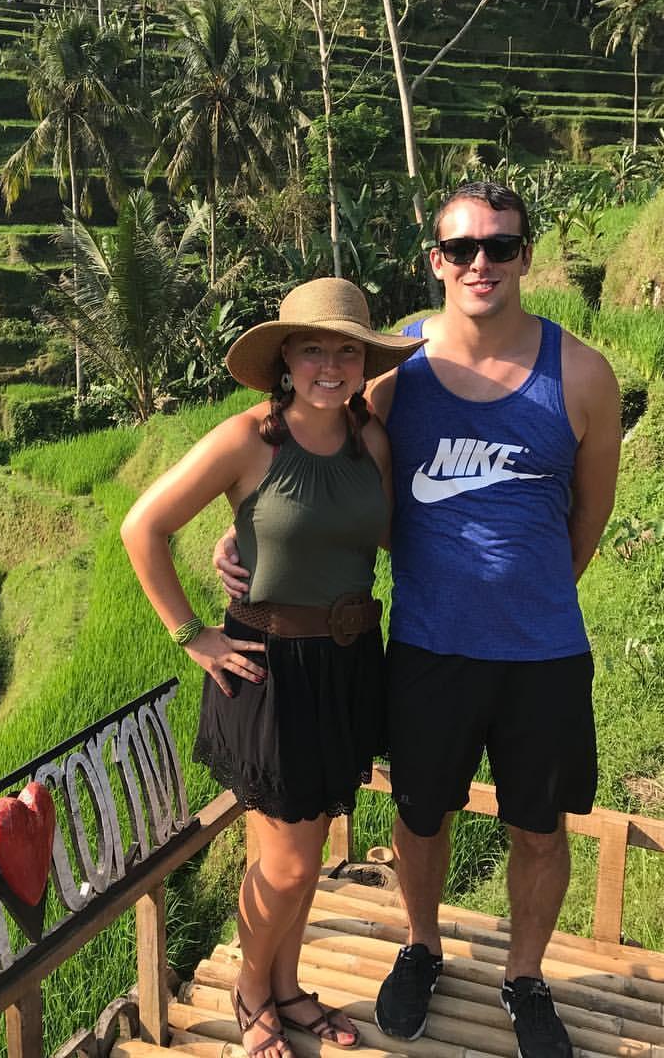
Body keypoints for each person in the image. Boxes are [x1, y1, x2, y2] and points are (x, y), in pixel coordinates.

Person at [216, 183, 622, 1058]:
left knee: (540, 827)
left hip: (545, 652)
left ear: (525, 255)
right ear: (435, 261)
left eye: (501, 247)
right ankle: (421, 946)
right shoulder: (396, 374)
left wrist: (529, 593)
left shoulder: (582, 375)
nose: (483, 263)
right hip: (429, 647)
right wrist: (244, 527)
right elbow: (318, 458)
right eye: (463, 248)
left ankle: (525, 976)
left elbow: (589, 518)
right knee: (421, 812)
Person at [122, 278, 424, 1058]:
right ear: (285, 358)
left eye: (346, 350)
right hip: (268, 673)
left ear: (364, 362)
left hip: (350, 665)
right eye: (313, 347)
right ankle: (253, 989)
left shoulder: (371, 442)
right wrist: (191, 634)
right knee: (289, 866)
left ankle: (285, 987)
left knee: (299, 851)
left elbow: (379, 536)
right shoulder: (248, 440)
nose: (331, 364)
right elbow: (142, 528)